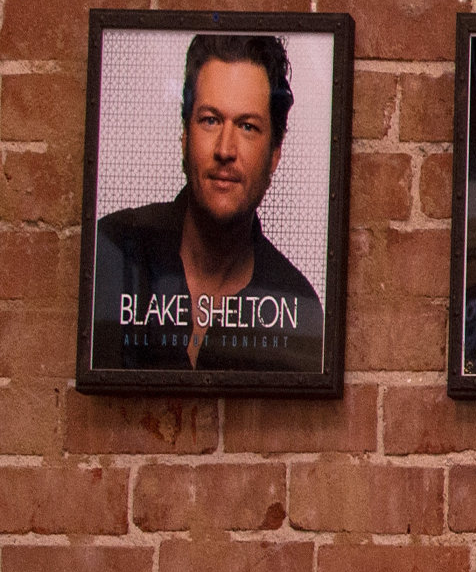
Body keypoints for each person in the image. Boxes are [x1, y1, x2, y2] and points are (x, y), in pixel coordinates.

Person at [89, 32, 324, 376]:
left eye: (247, 126)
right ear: (185, 134)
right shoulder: (111, 252)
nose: (225, 149)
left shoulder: (298, 310)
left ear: (275, 153)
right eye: (210, 120)